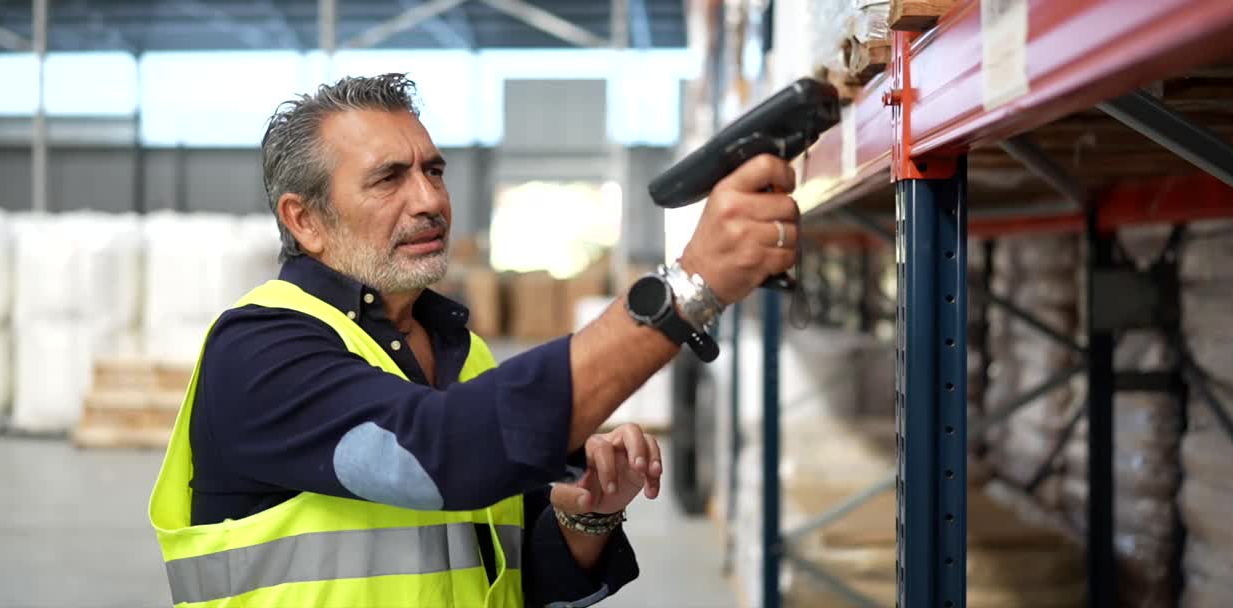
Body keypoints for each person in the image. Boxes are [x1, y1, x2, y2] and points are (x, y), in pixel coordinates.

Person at [148, 73, 800, 608]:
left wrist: (584, 517)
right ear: (306, 220)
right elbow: (441, 456)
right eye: (389, 178)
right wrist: (689, 287)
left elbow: (515, 588)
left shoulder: (464, 354)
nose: (430, 199)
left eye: (434, 170)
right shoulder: (262, 350)